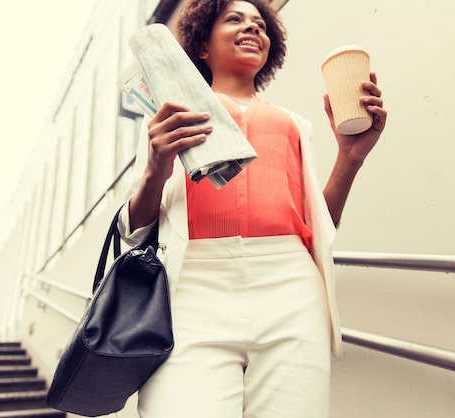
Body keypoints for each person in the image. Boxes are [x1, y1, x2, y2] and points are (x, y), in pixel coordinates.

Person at [118, 0, 387, 416]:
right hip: (193, 290)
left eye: (260, 25)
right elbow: (135, 229)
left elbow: (320, 223)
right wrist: (156, 167)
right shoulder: (169, 116)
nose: (252, 28)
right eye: (234, 19)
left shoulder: (298, 124)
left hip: (291, 289)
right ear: (202, 45)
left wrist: (350, 157)